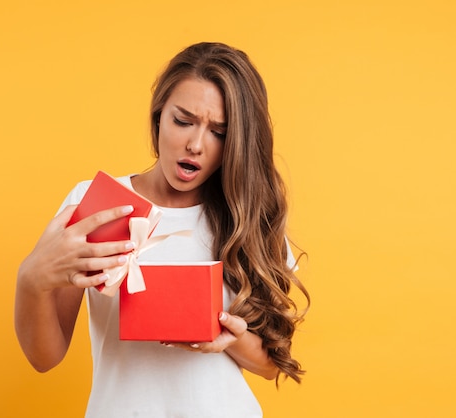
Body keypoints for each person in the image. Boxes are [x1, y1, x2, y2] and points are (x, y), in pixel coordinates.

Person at [15, 41, 309, 418]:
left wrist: (226, 340)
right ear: (158, 117)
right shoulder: (99, 203)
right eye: (182, 121)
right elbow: (45, 358)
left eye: (219, 132)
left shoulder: (246, 218)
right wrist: (30, 280)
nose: (195, 144)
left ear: (237, 141)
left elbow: (270, 366)